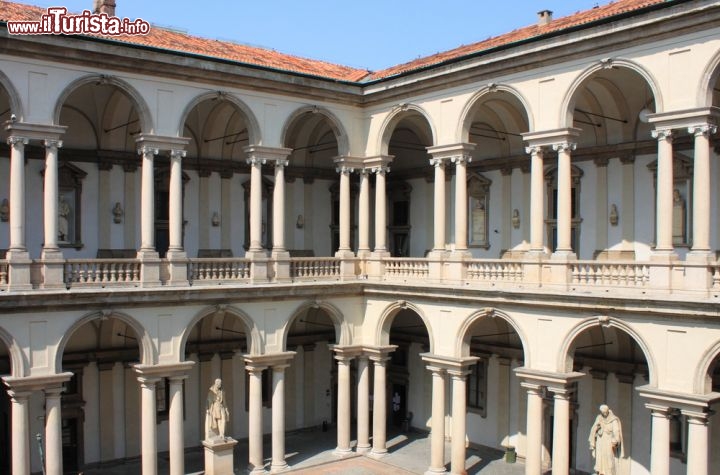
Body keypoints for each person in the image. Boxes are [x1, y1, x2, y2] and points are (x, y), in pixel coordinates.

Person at [589, 404, 623, 475]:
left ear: (607, 411)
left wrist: (615, 441)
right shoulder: (599, 417)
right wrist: (597, 428)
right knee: (599, 457)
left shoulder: (613, 420)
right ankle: (600, 472)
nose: (604, 414)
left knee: (608, 459)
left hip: (608, 442)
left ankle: (608, 473)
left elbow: (616, 431)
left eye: (605, 412)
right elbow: (593, 428)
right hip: (600, 441)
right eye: (602, 412)